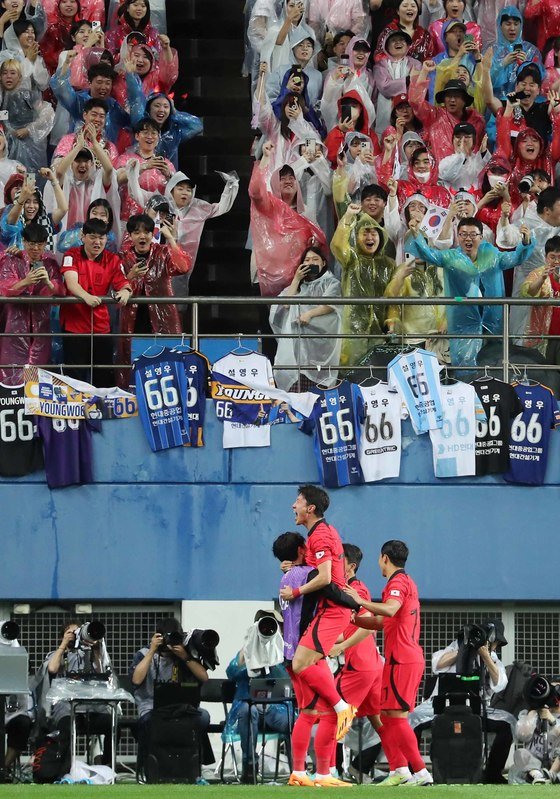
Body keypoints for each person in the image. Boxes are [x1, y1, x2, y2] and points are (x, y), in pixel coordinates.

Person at [279, 484, 356, 788]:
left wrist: (295, 586)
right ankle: (318, 772)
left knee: (312, 706)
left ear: (310, 508)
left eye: (297, 502)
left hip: (325, 618)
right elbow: (322, 575)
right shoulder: (310, 552)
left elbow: (324, 577)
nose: (292, 506)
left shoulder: (319, 538)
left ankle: (313, 770)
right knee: (315, 711)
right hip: (320, 623)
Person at [345, 540, 431, 786]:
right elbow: (383, 621)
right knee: (387, 715)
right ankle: (400, 770)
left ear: (384, 558)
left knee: (397, 717)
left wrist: (360, 601)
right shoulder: (406, 582)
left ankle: (421, 773)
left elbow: (390, 610)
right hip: (400, 659)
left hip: (402, 659)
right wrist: (357, 620)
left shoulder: (397, 583)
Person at [406, 216, 534, 366]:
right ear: (458, 236)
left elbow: (515, 259)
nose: (468, 238)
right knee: (465, 365)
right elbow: (428, 254)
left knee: (494, 365)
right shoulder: (451, 257)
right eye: (463, 234)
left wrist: (525, 243)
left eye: (473, 234)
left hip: (493, 321)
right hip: (463, 321)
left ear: (481, 237)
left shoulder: (493, 256)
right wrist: (416, 234)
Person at [411, 619, 512, 783]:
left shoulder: (492, 657)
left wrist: (485, 655)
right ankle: (413, 772)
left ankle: (492, 773)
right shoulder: (457, 646)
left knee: (507, 725)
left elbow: (500, 684)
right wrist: (465, 649)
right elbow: (436, 664)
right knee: (411, 721)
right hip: (441, 708)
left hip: (476, 710)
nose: (494, 646)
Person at [130, 617, 213, 776]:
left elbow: (204, 677)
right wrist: (152, 650)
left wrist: (185, 657)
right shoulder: (143, 654)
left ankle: (195, 765)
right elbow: (136, 679)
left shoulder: (185, 654)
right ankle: (151, 766)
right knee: (150, 723)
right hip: (152, 708)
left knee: (203, 717)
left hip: (184, 708)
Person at [329, 544, 383, 785]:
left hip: (360, 667)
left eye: (338, 559)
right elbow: (349, 629)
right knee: (380, 722)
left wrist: (340, 647)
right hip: (372, 665)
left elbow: (368, 622)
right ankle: (409, 770)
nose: (333, 562)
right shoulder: (348, 590)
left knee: (332, 715)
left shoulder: (354, 589)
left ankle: (331, 771)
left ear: (350, 566)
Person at [116, 213, 191, 387]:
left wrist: (171, 239)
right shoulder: (122, 257)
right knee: (132, 361)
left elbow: (183, 267)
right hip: (133, 320)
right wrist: (131, 276)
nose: (142, 236)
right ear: (130, 236)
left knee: (165, 362)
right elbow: (116, 289)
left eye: (147, 232)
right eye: (137, 232)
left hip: (163, 318)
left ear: (152, 234)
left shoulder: (163, 252)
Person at [60, 218, 131, 387]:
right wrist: (86, 296)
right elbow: (71, 283)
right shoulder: (71, 255)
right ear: (83, 237)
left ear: (107, 239)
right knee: (74, 377)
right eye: (92, 237)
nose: (97, 242)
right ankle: (75, 413)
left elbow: (123, 283)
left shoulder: (113, 260)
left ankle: (103, 412)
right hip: (74, 326)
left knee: (104, 376)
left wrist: (126, 291)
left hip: (101, 327)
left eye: (102, 237)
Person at [225, 610, 291, 783]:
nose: (267, 630)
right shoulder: (248, 650)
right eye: (263, 625)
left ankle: (297, 768)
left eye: (273, 626)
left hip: (277, 709)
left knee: (293, 721)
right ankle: (250, 766)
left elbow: (287, 679)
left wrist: (273, 654)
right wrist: (248, 648)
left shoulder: (286, 651)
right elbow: (231, 673)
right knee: (248, 710)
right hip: (250, 708)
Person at [330, 202, 397, 367]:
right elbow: (338, 245)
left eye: (374, 233)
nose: (370, 238)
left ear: (381, 237)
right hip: (354, 331)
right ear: (356, 237)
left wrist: (392, 320)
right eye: (365, 233)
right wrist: (347, 217)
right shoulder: (352, 260)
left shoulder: (389, 264)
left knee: (378, 377)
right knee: (352, 374)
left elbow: (393, 296)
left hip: (380, 332)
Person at [269, 246, 341, 392]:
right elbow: (285, 306)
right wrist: (296, 279)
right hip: (298, 348)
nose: (311, 263)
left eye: (315, 260)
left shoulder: (331, 283)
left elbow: (332, 305)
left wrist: (309, 314)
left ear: (324, 263)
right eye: (307, 260)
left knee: (320, 391)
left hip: (321, 346)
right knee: (297, 388)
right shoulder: (298, 287)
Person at [46, 620, 116, 766]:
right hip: (66, 709)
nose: (75, 636)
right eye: (71, 633)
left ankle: (107, 768)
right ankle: (64, 770)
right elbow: (52, 669)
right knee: (65, 728)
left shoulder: (90, 654)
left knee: (113, 724)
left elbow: (103, 674)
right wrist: (64, 645)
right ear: (62, 636)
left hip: (91, 707)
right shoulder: (56, 654)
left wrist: (96, 651)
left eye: (78, 633)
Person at [0, 222, 62, 383]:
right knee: (11, 376)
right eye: (32, 244)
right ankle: (13, 405)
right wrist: (25, 282)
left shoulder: (51, 264)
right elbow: (5, 287)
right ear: (24, 242)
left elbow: (60, 291)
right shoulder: (12, 260)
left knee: (37, 379)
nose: (36, 248)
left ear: (45, 244)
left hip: (41, 330)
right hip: (14, 329)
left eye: (40, 244)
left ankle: (33, 406)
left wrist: (48, 283)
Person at [509, 676, 560, 784]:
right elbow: (522, 735)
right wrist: (532, 711)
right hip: (533, 765)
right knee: (520, 753)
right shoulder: (535, 713)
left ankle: (551, 776)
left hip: (556, 763)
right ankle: (538, 776)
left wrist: (552, 720)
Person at [519, 235, 560, 358]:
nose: (556, 261)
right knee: (544, 372)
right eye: (552, 257)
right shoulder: (538, 273)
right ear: (546, 257)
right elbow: (527, 292)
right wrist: (542, 278)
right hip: (544, 336)